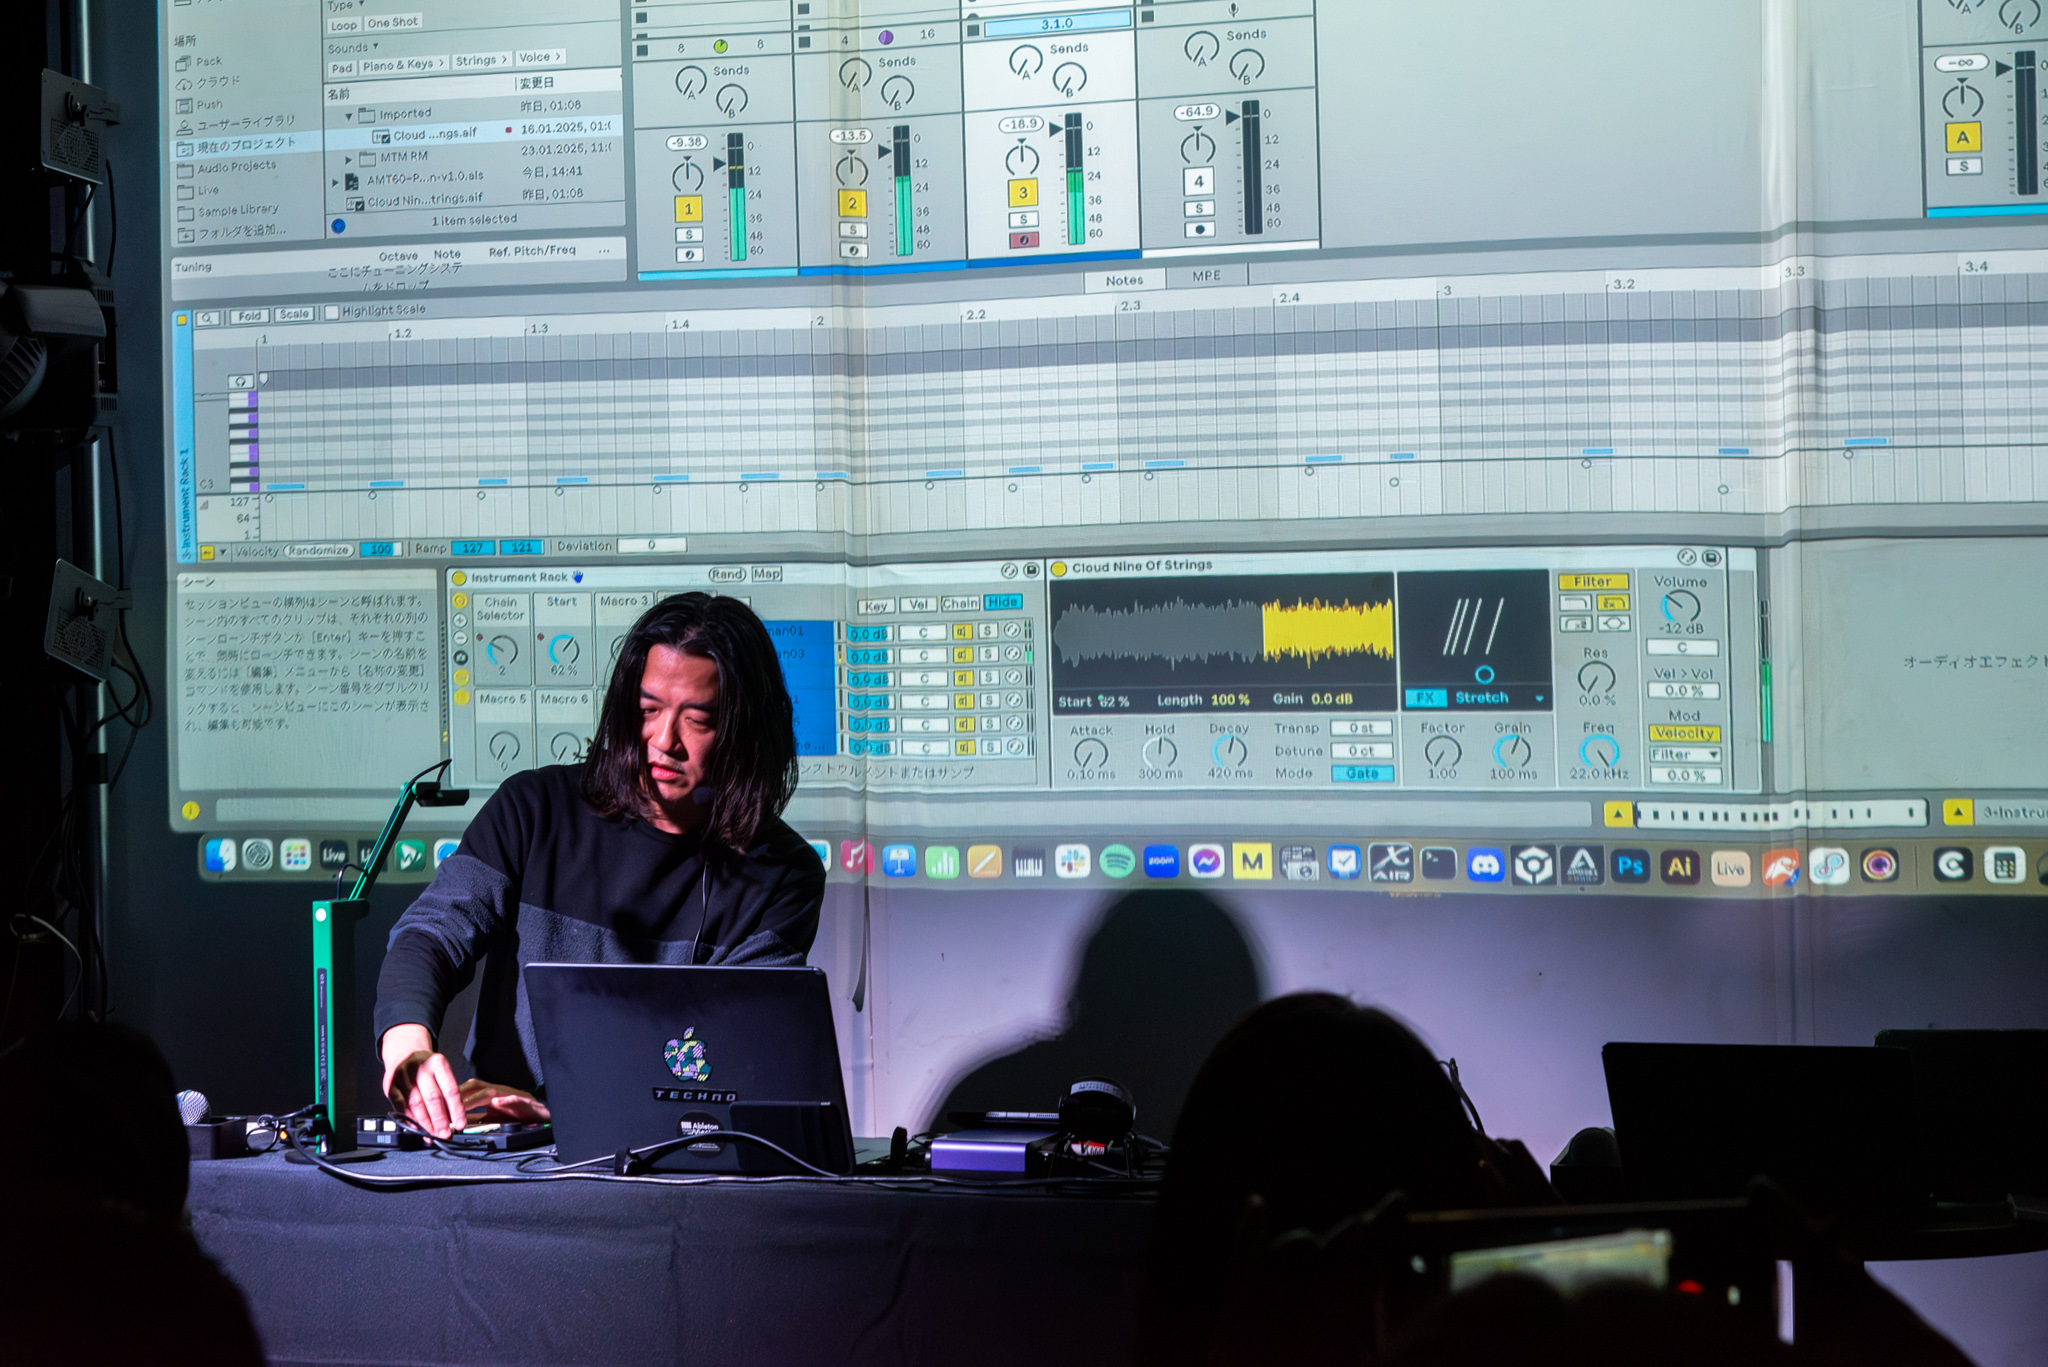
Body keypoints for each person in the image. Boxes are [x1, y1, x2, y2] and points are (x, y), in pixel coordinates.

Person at [374, 593, 826, 1138]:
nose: (664, 741)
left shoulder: (783, 875)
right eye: (648, 710)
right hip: (507, 1153)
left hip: (669, 1158)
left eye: (698, 720)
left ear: (745, 732)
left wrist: (559, 1117)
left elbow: (727, 1064)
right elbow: (430, 934)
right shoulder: (532, 809)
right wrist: (407, 1048)